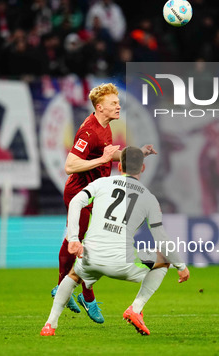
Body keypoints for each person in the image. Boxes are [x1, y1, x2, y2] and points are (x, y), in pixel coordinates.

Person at [42, 147, 189, 336]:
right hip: (123, 263)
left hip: (91, 257)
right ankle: (136, 309)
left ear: (119, 166)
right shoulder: (149, 199)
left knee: (73, 275)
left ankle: (50, 325)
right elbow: (161, 238)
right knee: (164, 259)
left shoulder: (102, 183)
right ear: (142, 168)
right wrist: (181, 266)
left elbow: (76, 201)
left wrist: (73, 238)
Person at [52, 83, 156, 323]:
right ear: (100, 107)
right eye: (113, 103)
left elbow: (109, 155)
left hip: (96, 193)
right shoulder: (88, 131)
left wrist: (138, 152)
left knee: (82, 242)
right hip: (80, 191)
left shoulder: (105, 126)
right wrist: (102, 159)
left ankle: (68, 290)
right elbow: (70, 165)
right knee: (80, 242)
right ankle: (79, 295)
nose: (118, 106)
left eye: (118, 103)